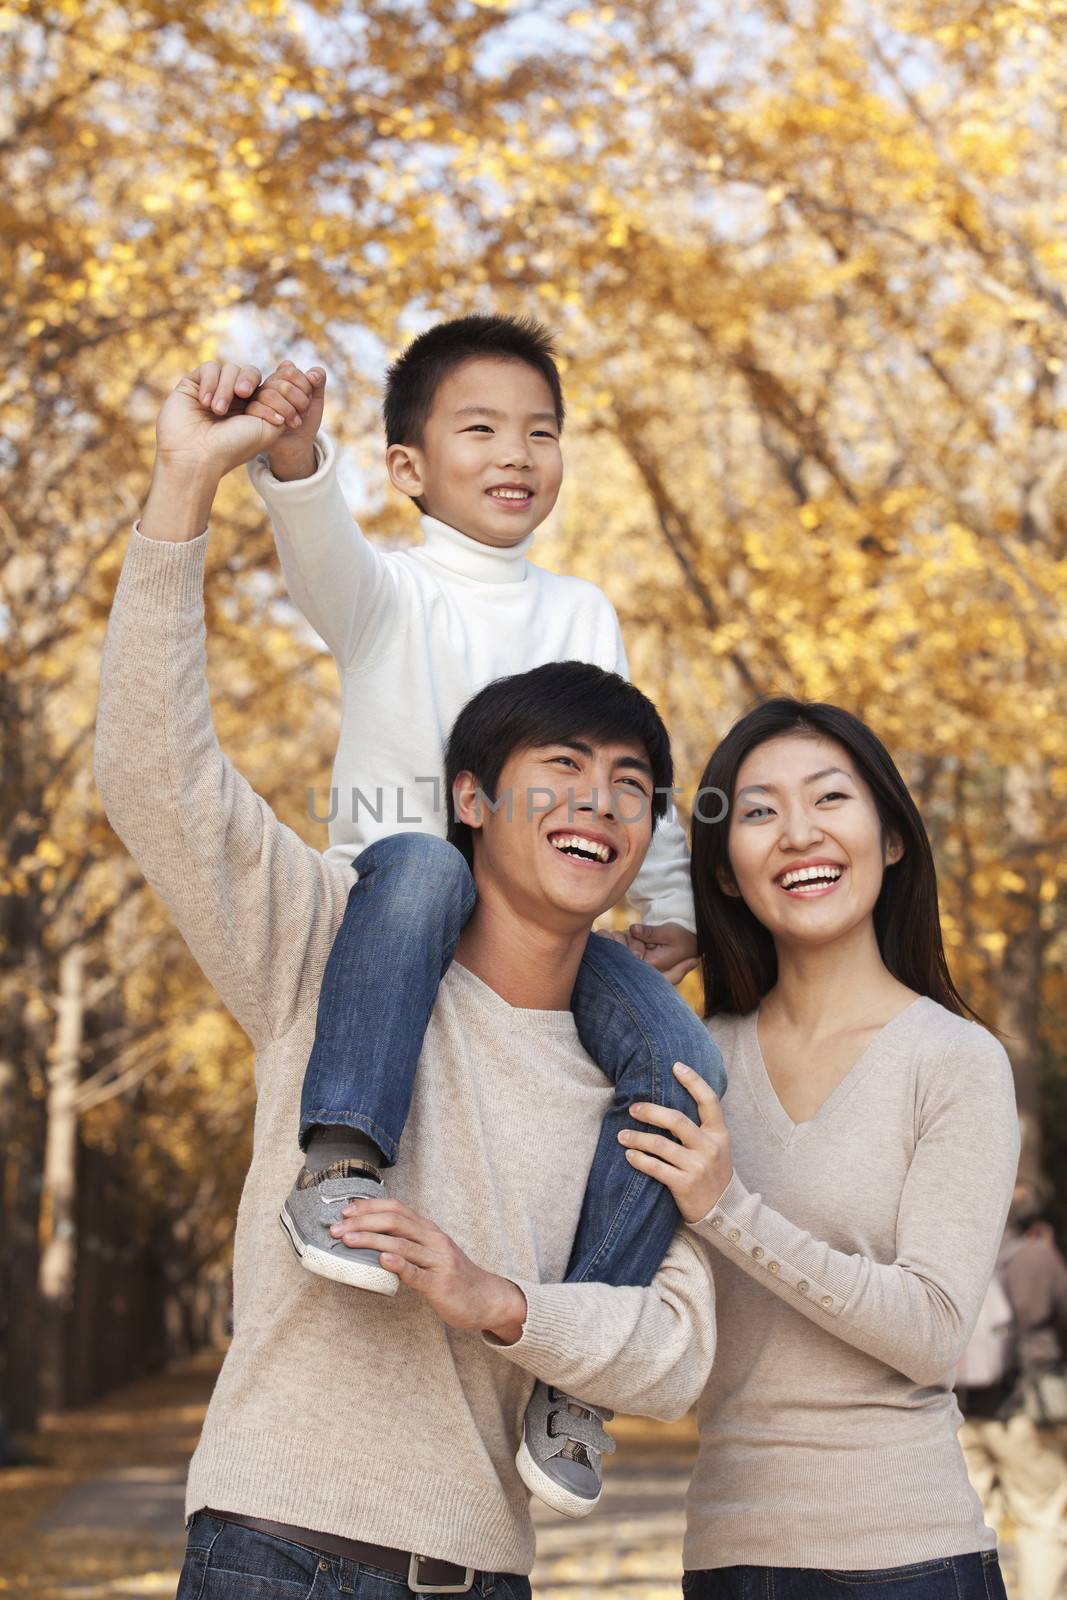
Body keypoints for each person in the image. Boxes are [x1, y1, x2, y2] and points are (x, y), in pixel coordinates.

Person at [93, 361, 718, 1600]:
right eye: (559, 769)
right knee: (419, 872)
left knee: (685, 1054)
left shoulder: (643, 1075)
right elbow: (153, 777)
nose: (596, 801)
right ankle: (339, 1161)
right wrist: (191, 484)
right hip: (274, 1546)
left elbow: (682, 1352)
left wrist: (506, 1309)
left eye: (630, 787)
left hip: (488, 1573)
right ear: (479, 790)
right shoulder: (329, 950)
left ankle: (560, 1412)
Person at [618, 698, 1020, 1598]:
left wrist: (728, 1210)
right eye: (757, 813)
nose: (797, 834)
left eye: (829, 799)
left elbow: (930, 1331)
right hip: (726, 1557)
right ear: (725, 875)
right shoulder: (691, 1061)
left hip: (908, 1560)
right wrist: (607, 996)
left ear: (890, 840)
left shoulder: (954, 1062)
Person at [957, 1182, 1067, 1600]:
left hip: (965, 1409)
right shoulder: (1038, 1256)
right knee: (1041, 1517)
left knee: (976, 1522)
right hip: (1025, 1409)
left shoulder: (968, 1254)